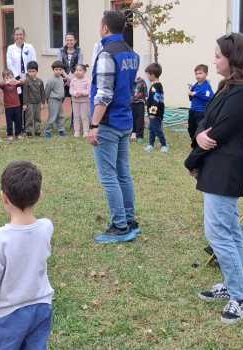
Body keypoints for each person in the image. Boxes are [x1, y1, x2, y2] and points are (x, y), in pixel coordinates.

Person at [188, 32, 243, 325]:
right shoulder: (226, 86)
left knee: (219, 232)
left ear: (234, 58)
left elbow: (219, 132)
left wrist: (193, 158)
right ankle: (232, 286)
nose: (214, 60)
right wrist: (198, 137)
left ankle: (239, 297)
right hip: (216, 166)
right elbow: (205, 122)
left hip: (227, 168)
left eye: (218, 55)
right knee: (229, 229)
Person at [0, 161, 54, 348]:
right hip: (42, 307)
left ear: (4, 197)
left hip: (8, 314)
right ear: (39, 196)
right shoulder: (47, 227)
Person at [88, 11, 141, 244]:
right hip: (124, 119)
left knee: (109, 176)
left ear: (105, 28)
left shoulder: (107, 54)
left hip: (108, 123)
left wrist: (94, 124)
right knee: (123, 173)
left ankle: (120, 226)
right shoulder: (132, 53)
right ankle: (130, 221)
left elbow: (104, 92)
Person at [58, 32, 85, 124]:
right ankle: (58, 122)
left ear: (75, 41)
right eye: (67, 40)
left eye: (71, 40)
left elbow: (79, 66)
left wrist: (72, 78)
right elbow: (59, 66)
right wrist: (67, 77)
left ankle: (74, 123)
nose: (69, 42)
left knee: (74, 102)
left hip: (75, 80)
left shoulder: (79, 51)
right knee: (59, 100)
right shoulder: (61, 51)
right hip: (62, 79)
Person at [6, 27, 36, 104]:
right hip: (16, 79)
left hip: (28, 77)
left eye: (21, 34)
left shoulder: (30, 47)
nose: (19, 36)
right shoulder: (10, 48)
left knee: (28, 102)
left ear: (24, 35)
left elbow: (33, 63)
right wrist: (18, 78)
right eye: (17, 34)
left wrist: (26, 77)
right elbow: (10, 64)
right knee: (18, 101)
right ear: (14, 36)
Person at [188, 64, 214, 149]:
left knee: (200, 128)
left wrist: (196, 94)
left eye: (200, 73)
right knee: (191, 127)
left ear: (206, 74)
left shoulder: (207, 86)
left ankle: (200, 144)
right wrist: (190, 94)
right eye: (196, 74)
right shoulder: (195, 85)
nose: (198, 75)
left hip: (201, 111)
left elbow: (209, 97)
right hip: (193, 110)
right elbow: (191, 96)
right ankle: (193, 141)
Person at [144, 63, 168, 153]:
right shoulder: (159, 85)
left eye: (147, 74)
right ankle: (151, 144)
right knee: (151, 129)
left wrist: (152, 113)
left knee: (157, 129)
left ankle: (164, 145)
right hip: (159, 112)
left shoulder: (154, 87)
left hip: (155, 113)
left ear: (152, 75)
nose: (147, 76)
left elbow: (155, 101)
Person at [0, 70, 24, 140]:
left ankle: (18, 133)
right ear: (3, 79)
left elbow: (23, 83)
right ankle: (10, 134)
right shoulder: (4, 85)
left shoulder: (15, 84)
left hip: (17, 106)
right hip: (8, 107)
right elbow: (0, 85)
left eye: (10, 77)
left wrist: (17, 81)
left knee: (18, 120)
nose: (9, 79)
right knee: (9, 122)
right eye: (7, 78)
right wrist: (6, 82)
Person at [44, 61, 67, 138]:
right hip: (53, 100)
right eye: (56, 69)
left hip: (59, 100)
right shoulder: (51, 80)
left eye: (60, 69)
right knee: (52, 116)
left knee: (61, 115)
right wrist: (47, 99)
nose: (58, 71)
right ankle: (49, 131)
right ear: (53, 70)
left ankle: (61, 129)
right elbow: (47, 90)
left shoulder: (61, 79)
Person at [23, 62, 44, 137]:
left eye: (33, 71)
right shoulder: (27, 81)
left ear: (37, 71)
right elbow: (25, 93)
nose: (31, 73)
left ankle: (37, 131)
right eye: (29, 71)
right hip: (29, 103)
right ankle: (28, 131)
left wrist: (43, 103)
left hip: (38, 103)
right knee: (29, 118)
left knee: (37, 117)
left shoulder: (40, 81)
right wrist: (25, 104)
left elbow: (42, 92)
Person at [69, 64, 91, 137]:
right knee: (76, 116)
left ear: (84, 71)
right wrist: (75, 93)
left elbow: (89, 91)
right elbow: (71, 90)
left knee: (84, 116)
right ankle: (77, 130)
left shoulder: (87, 81)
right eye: (77, 70)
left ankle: (86, 131)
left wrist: (82, 93)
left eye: (80, 70)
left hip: (84, 101)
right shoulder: (73, 81)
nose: (78, 72)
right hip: (75, 101)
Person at [130, 76, 147, 142]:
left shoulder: (141, 80)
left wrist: (146, 103)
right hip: (130, 103)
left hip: (139, 103)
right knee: (130, 119)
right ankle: (130, 134)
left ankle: (140, 136)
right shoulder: (128, 79)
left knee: (140, 120)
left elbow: (145, 91)